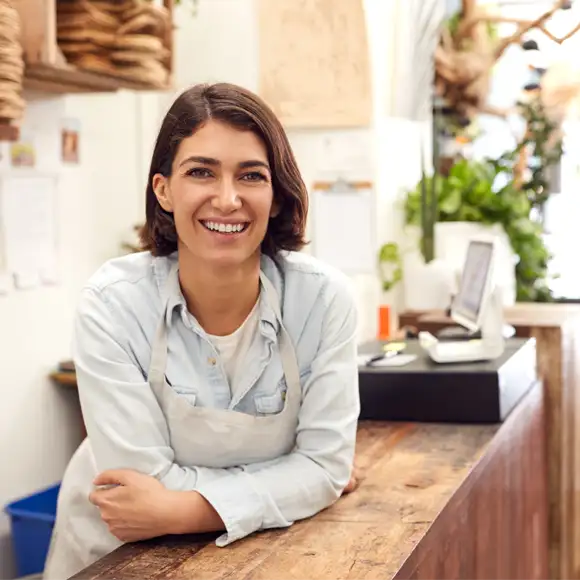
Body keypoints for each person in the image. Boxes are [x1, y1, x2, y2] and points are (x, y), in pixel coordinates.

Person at [43, 82, 360, 579]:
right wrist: (290, 482)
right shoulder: (113, 304)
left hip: (254, 556)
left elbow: (324, 470)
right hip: (117, 557)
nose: (227, 199)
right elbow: (141, 483)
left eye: (251, 175)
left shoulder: (321, 301)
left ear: (276, 196)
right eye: (201, 172)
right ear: (164, 191)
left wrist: (181, 509)